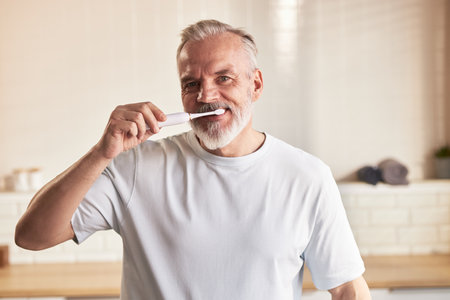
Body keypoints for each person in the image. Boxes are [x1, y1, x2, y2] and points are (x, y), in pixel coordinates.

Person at [15, 20, 371, 300]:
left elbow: (347, 290)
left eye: (224, 78)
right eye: (191, 83)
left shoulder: (306, 177)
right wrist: (101, 154)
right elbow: (31, 236)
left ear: (256, 85)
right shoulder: (136, 167)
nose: (206, 95)